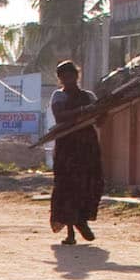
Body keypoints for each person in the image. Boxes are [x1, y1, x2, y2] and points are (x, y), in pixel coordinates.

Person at [49, 61, 103, 245]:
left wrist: (101, 112)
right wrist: (83, 111)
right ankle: (70, 232)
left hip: (87, 146)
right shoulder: (58, 96)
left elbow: (100, 120)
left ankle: (83, 220)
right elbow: (60, 116)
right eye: (64, 77)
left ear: (77, 76)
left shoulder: (89, 96)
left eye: (71, 75)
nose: (68, 80)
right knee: (67, 186)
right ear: (60, 79)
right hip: (67, 147)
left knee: (90, 183)